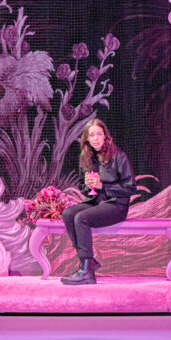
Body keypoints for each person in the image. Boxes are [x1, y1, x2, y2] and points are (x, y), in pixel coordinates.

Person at [59, 118, 135, 285]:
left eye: (99, 134)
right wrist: (88, 185)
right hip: (96, 202)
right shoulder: (87, 157)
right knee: (68, 214)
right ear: (87, 138)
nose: (95, 138)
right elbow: (84, 187)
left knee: (81, 218)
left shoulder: (118, 156)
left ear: (105, 136)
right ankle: (89, 262)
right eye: (91, 135)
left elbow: (130, 188)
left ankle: (87, 271)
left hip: (116, 205)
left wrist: (103, 186)